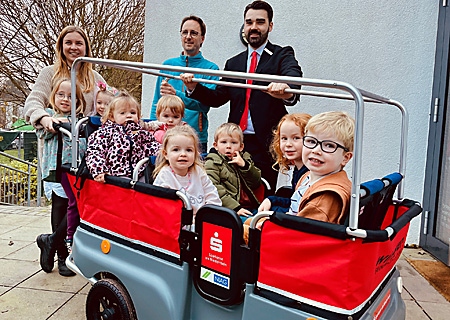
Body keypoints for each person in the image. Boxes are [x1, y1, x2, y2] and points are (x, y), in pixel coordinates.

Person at [180, 1, 303, 190]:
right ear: (244, 26)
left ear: (270, 26)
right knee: (227, 191)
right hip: (235, 142)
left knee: (261, 193)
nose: (254, 27)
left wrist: (285, 87)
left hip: (266, 144)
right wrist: (194, 87)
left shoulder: (282, 54)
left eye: (260, 22)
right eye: (249, 22)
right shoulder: (234, 62)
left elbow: (293, 78)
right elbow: (219, 97)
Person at [257, 111, 354, 224]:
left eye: (329, 145)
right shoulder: (308, 176)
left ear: (345, 158)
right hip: (288, 225)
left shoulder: (325, 196)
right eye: (311, 141)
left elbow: (302, 235)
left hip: (290, 236)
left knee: (238, 226)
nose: (316, 150)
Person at [36, 78, 86, 276]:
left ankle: (50, 241)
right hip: (55, 169)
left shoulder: (80, 119)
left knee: (75, 208)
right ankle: (61, 255)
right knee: (59, 208)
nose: (65, 99)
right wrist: (53, 123)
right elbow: (44, 134)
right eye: (61, 95)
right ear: (53, 96)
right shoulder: (48, 116)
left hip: (73, 170)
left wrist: (71, 123)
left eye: (71, 96)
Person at [151, 15, 219, 152]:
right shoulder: (168, 65)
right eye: (185, 32)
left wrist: (177, 95)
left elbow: (204, 106)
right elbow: (156, 104)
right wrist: (151, 132)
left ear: (202, 38)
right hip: (164, 137)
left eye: (194, 33)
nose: (188, 37)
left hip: (195, 138)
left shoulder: (211, 69)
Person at [24, 25, 106, 132]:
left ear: (86, 48)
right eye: (68, 43)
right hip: (57, 141)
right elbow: (34, 101)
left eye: (79, 43)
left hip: (87, 142)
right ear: (61, 47)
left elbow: (113, 102)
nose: (73, 47)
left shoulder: (95, 77)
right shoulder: (49, 73)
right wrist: (45, 119)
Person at [86, 91, 161, 183]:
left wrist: (164, 153)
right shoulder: (105, 133)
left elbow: (152, 145)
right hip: (116, 175)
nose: (129, 115)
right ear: (112, 117)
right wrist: (99, 170)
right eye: (122, 113)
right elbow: (95, 152)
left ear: (138, 116)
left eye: (133, 112)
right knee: (125, 185)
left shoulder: (142, 133)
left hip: (140, 172)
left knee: (152, 181)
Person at [153, 125, 221, 219]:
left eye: (189, 150)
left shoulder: (198, 171)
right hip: (178, 223)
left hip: (202, 219)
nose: (183, 154)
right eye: (176, 150)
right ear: (166, 154)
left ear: (195, 153)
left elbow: (212, 195)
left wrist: (209, 216)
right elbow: (161, 208)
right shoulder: (164, 176)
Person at [205, 123, 261, 222]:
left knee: (266, 222)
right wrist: (235, 208)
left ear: (241, 147)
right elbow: (214, 188)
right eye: (223, 142)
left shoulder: (245, 159)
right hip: (229, 210)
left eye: (234, 142)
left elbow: (256, 183)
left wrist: (244, 166)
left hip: (250, 206)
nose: (228, 146)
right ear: (216, 145)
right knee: (253, 225)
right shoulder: (212, 162)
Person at [263, 113, 311, 213]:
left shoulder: (310, 173)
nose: (288, 144)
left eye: (296, 138)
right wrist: (271, 200)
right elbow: (293, 201)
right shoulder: (298, 168)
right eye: (284, 138)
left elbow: (298, 209)